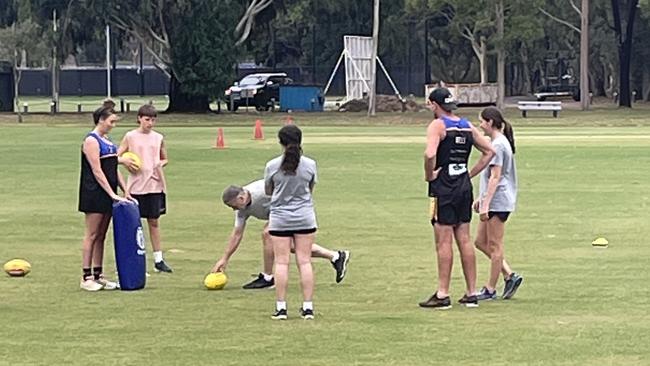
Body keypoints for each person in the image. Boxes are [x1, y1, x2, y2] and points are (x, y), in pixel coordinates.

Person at [418, 88, 495, 309]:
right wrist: (469, 173)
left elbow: (430, 154)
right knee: (464, 238)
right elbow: (489, 151)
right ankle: (471, 292)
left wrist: (429, 174)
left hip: (443, 187)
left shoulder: (437, 125)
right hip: (463, 187)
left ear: (434, 104)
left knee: (443, 240)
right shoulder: (466, 125)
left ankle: (442, 294)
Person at [211, 180, 350, 289]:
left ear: (241, 198)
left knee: (268, 234)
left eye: (233, 206)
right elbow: (237, 234)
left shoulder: (262, 191)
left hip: (293, 208)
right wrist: (224, 259)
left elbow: (289, 191)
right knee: (289, 246)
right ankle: (336, 256)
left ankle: (267, 277)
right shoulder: (241, 210)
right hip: (280, 213)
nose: (233, 209)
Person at [264, 125, 317, 320]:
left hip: (280, 218)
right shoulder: (310, 164)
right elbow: (310, 188)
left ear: (281, 142)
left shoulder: (272, 165)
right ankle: (308, 306)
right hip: (304, 216)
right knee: (304, 261)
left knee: (281, 262)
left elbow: (269, 191)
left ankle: (281, 307)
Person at [78, 106, 130, 291]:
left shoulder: (108, 141)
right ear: (101, 119)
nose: (113, 125)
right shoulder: (91, 141)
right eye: (111, 121)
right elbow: (97, 170)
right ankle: (86, 277)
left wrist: (125, 191)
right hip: (94, 192)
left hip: (109, 192)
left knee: (101, 235)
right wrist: (111, 193)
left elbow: (113, 167)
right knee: (91, 234)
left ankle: (99, 275)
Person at [473, 107, 523, 301]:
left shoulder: (500, 145)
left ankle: (490, 289)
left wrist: (486, 203)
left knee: (495, 246)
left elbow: (496, 176)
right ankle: (510, 275)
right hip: (492, 199)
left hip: (499, 201)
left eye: (482, 121)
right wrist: (482, 198)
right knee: (480, 242)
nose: (481, 125)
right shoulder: (496, 142)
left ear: (491, 122)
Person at [117, 104, 173, 273]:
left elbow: (164, 158)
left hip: (154, 185)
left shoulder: (158, 137)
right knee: (134, 224)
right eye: (147, 119)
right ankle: (134, 259)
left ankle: (158, 259)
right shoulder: (130, 136)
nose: (150, 123)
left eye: (153, 120)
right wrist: (125, 162)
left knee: (154, 222)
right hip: (135, 186)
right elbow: (116, 156)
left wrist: (159, 164)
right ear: (139, 118)